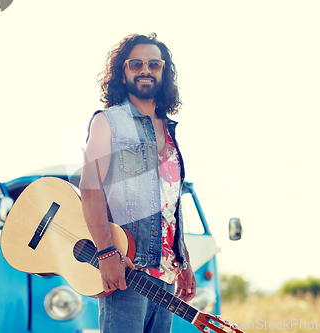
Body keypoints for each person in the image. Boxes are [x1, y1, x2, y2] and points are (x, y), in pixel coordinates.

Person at [79, 33, 196, 333]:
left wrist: (183, 262)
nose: (146, 69)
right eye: (136, 64)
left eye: (154, 64)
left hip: (167, 279)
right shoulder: (108, 122)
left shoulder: (170, 131)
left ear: (164, 71)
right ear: (123, 72)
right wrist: (106, 253)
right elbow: (90, 190)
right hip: (128, 271)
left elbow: (170, 204)